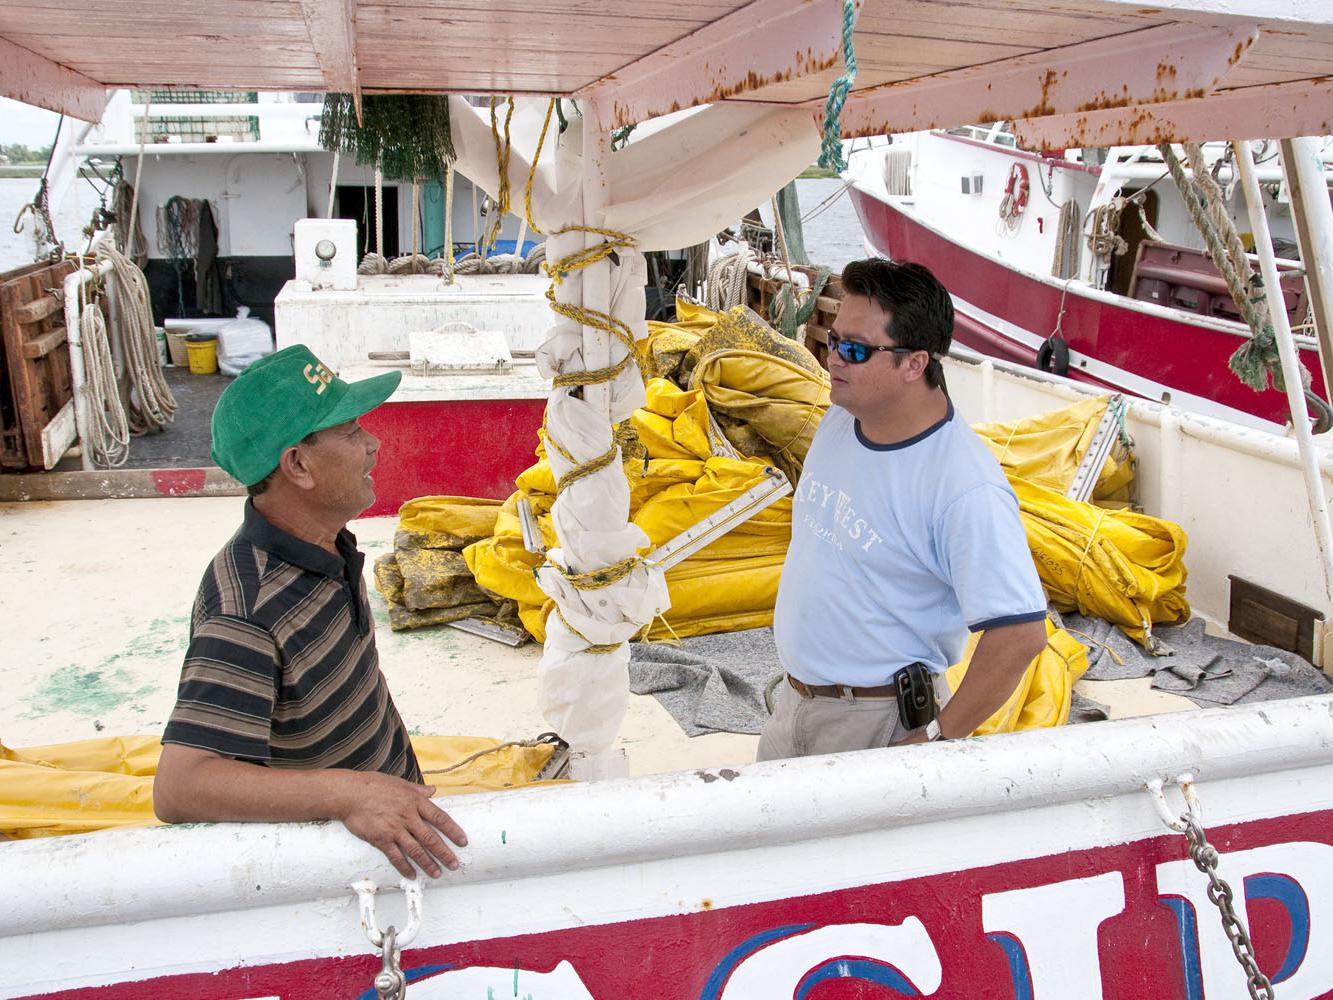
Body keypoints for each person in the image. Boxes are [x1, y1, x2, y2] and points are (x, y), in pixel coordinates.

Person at [154, 344, 467, 878]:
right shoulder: (247, 611)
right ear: (297, 465)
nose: (373, 443)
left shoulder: (327, 544)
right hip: (345, 858)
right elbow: (180, 787)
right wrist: (351, 793)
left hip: (392, 816)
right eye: (349, 432)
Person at [758, 259, 1048, 761]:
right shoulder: (840, 421)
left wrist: (934, 738)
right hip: (794, 706)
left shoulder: (963, 486)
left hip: (878, 725)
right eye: (831, 340)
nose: (833, 360)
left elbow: (1020, 634)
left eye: (855, 350)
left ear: (915, 364)